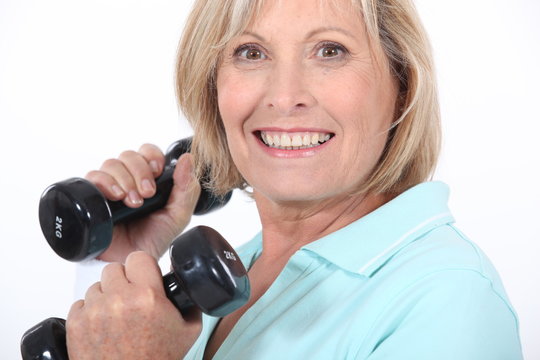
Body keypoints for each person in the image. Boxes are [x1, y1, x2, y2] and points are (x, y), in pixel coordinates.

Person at [65, 0, 523, 359]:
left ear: (401, 83)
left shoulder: (449, 298)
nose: (285, 98)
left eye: (330, 51)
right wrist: (119, 263)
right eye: (251, 53)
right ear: (213, 90)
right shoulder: (238, 268)